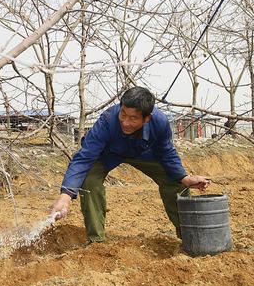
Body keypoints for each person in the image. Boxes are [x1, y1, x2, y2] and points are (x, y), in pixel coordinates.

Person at [50, 86, 210, 243]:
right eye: (123, 114)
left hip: (144, 153)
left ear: (147, 118)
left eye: (133, 118)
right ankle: (96, 241)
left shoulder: (159, 122)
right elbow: (84, 157)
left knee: (175, 181)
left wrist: (184, 177)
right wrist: (66, 195)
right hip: (108, 154)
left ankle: (190, 238)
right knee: (89, 181)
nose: (125, 122)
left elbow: (167, 153)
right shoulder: (107, 120)